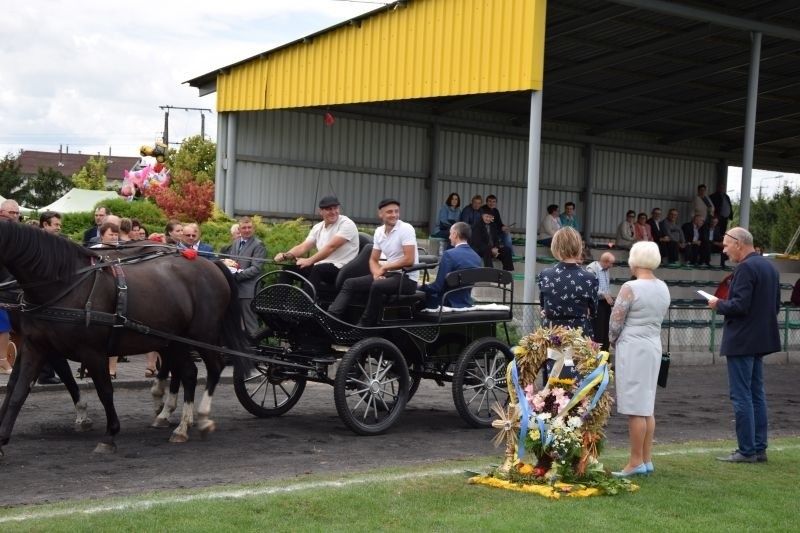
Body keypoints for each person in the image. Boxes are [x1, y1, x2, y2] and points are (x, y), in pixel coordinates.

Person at [708, 227, 780, 463]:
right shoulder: (769, 267)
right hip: (761, 338)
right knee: (756, 395)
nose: (725, 250)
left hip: (742, 340)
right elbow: (776, 306)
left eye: (727, 245)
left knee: (741, 396)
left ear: (738, 243)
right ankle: (759, 447)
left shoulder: (746, 268)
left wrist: (718, 304)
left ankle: (747, 450)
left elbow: (739, 306)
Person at [609, 241, 670, 476]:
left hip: (633, 346)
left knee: (636, 407)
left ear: (634, 260)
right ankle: (645, 458)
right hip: (653, 343)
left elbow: (616, 321)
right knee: (646, 405)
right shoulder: (663, 286)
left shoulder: (630, 287)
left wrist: (612, 340)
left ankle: (635, 462)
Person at [327, 199, 418, 327]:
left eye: (396, 211)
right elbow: (373, 259)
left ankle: (364, 325)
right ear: (380, 214)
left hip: (407, 278)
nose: (394, 215)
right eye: (389, 212)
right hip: (389, 275)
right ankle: (331, 318)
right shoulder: (379, 231)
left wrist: (384, 268)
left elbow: (409, 259)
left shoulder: (406, 229)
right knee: (350, 283)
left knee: (377, 286)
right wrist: (376, 274)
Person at [537, 227, 598, 382]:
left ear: (555, 247)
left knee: (554, 383)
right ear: (579, 246)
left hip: (554, 334)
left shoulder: (545, 275)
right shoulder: (589, 278)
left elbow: (544, 307)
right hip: (580, 335)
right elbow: (593, 310)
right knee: (580, 381)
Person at [274, 195, 359, 293]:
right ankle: (279, 305)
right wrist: (285, 255)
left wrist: (309, 260)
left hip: (342, 269)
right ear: (321, 211)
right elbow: (304, 246)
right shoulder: (318, 227)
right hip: (322, 267)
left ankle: (305, 306)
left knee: (317, 269)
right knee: (287, 270)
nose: (333, 212)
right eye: (329, 209)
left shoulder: (347, 224)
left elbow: (331, 247)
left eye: (335, 208)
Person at [422, 222, 482, 309]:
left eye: (450, 234)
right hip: (466, 301)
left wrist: (421, 287)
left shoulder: (449, 254)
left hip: (446, 302)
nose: (449, 237)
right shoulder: (476, 257)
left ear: (455, 234)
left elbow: (438, 287)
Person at [232, 217, 267, 337]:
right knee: (238, 322)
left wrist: (237, 276)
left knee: (250, 322)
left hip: (248, 290)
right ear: (239, 229)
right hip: (235, 288)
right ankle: (242, 348)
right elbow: (233, 262)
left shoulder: (258, 245)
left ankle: (255, 349)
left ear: (253, 228)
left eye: (249, 227)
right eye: (244, 228)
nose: (247, 230)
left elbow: (256, 268)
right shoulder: (236, 242)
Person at [0, 200, 21, 375]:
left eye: (16, 213)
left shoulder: (19, 233)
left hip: (13, 286)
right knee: (3, 322)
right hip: (3, 287)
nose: (14, 216)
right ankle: (2, 360)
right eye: (11, 213)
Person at [585, 252, 615, 350]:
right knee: (598, 330)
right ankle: (596, 353)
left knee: (606, 329)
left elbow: (606, 286)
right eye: (611, 263)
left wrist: (609, 296)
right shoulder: (591, 268)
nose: (612, 266)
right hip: (596, 304)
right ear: (606, 262)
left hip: (605, 304)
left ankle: (605, 353)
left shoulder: (606, 270)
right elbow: (590, 287)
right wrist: (604, 294)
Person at [469, 206, 513, 271]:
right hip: (480, 249)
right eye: (486, 216)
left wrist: (496, 248)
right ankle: (490, 272)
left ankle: (507, 272)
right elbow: (477, 242)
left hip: (493, 250)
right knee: (487, 250)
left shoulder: (493, 225)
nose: (488, 219)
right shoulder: (477, 225)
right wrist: (491, 249)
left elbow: (496, 239)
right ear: (482, 216)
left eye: (490, 217)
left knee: (507, 250)